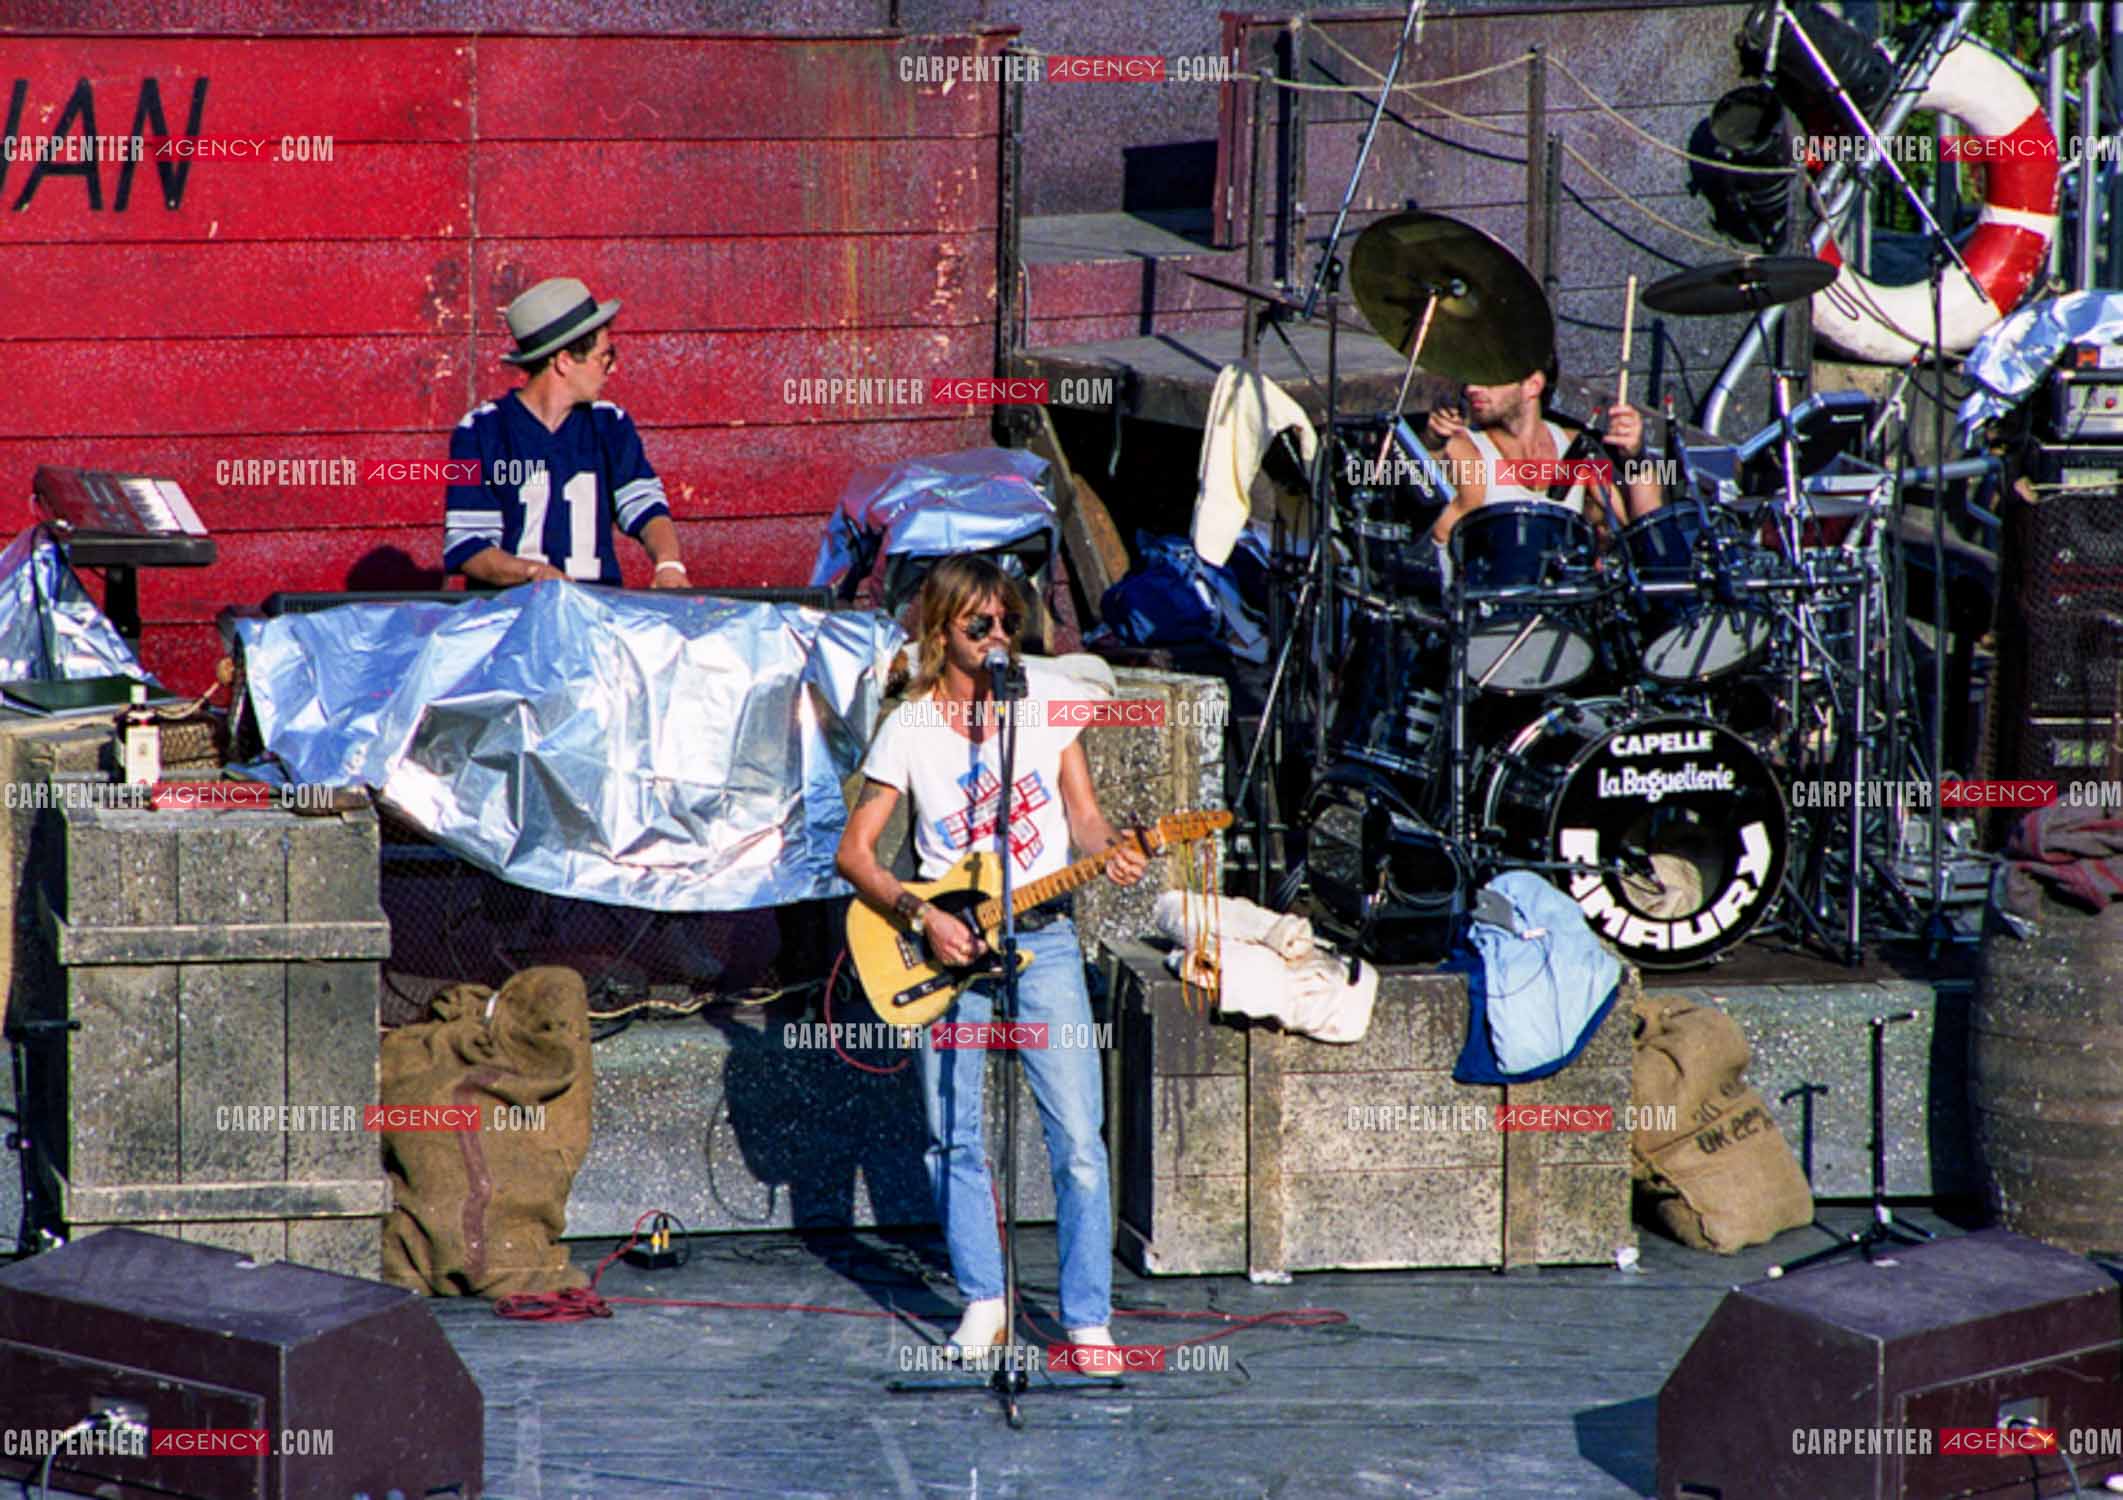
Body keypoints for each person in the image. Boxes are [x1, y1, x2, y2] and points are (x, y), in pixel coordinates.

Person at [836, 555, 1148, 1356]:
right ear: (942, 631)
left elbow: (1083, 819)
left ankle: (1086, 1317)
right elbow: (857, 854)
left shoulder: (1044, 704)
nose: (998, 635)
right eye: (978, 624)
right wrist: (921, 914)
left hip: (1042, 938)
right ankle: (982, 1299)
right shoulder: (908, 726)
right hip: (947, 948)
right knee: (953, 1135)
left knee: (1078, 1138)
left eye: (1006, 620)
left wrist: (1110, 849)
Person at [443, 277, 689, 589]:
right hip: (511, 619)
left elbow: (645, 506)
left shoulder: (609, 424)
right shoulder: (481, 431)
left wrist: (668, 563)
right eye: (604, 356)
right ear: (564, 361)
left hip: (594, 614)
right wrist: (531, 574)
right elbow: (470, 545)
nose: (610, 368)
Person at [1425, 356, 1662, 546]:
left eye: (1489, 377)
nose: (1471, 388)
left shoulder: (1573, 450)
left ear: (1532, 385)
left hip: (1562, 598)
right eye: (1470, 378)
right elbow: (1433, 534)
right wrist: (1433, 445)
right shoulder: (1466, 450)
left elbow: (1646, 536)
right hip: (1486, 601)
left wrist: (1637, 459)